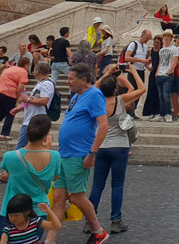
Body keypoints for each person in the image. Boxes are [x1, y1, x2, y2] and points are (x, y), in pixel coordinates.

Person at [51, 63, 109, 242]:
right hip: (65, 153)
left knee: (76, 197)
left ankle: (98, 231)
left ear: (83, 80)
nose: (67, 82)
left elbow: (103, 125)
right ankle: (49, 240)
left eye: (70, 78)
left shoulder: (94, 96)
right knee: (59, 197)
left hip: (79, 153)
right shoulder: (77, 95)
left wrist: (92, 153)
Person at [88, 64, 146, 233]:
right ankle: (116, 220)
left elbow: (92, 89)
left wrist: (106, 73)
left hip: (101, 146)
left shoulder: (96, 99)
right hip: (120, 147)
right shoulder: (121, 100)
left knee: (97, 185)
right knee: (117, 185)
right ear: (115, 89)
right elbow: (142, 89)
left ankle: (89, 221)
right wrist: (133, 71)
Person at [0, 57, 30, 140]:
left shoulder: (11, 68)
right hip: (9, 94)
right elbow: (20, 87)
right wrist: (18, 99)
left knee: (1, 113)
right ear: (26, 64)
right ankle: (4, 134)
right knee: (11, 113)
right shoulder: (23, 72)